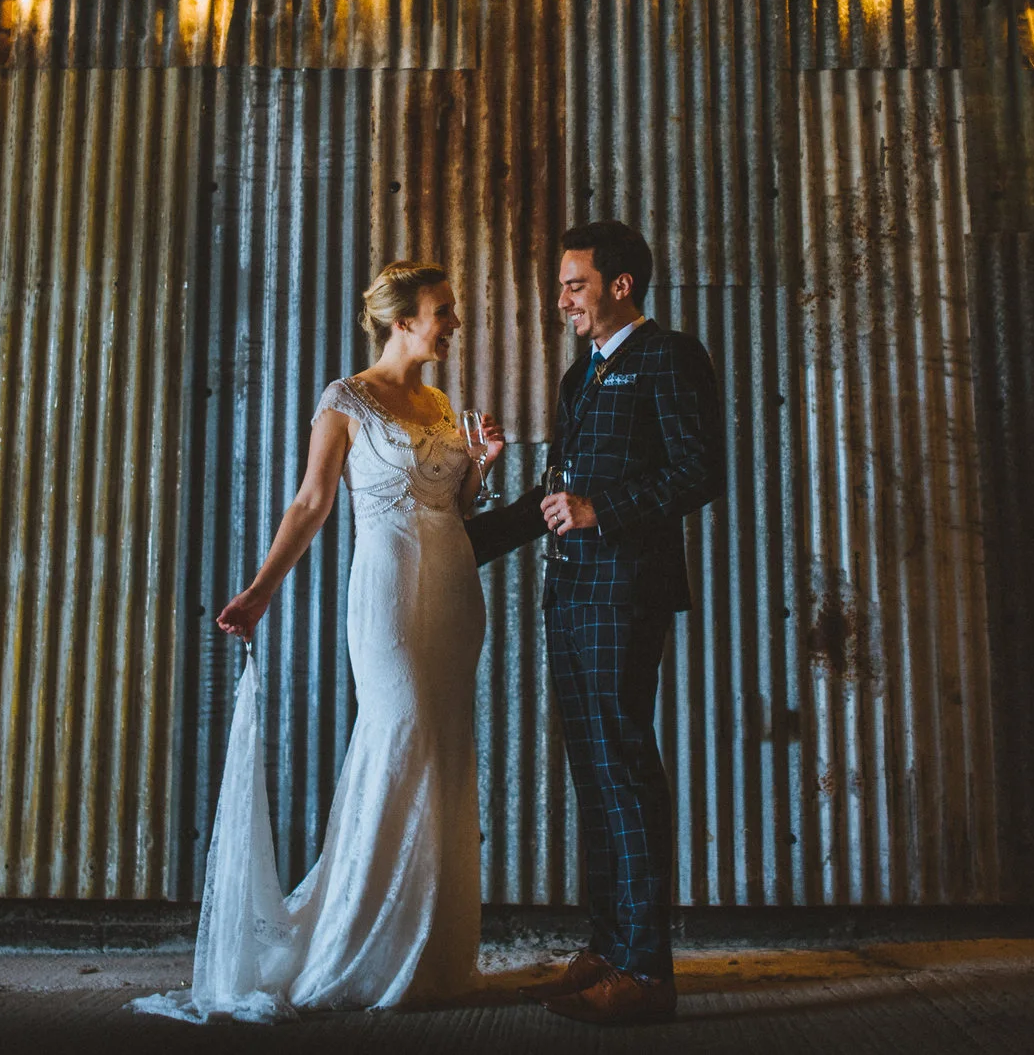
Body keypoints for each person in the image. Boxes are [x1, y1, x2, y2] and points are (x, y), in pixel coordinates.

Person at [135, 262, 502, 1022]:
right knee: (397, 733)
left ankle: (430, 950)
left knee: (445, 744)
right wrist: (261, 590)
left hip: (456, 590)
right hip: (388, 587)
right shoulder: (345, 399)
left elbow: (455, 505)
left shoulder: (437, 401)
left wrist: (484, 468)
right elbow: (311, 500)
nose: (453, 323)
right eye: (442, 311)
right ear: (402, 320)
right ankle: (350, 945)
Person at [466, 221, 726, 1026]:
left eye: (574, 284)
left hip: (625, 593)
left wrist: (602, 508)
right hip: (569, 596)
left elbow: (701, 469)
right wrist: (454, 541)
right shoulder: (581, 376)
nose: (562, 299)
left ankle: (647, 972)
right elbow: (552, 502)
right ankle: (607, 951)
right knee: (595, 781)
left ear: (620, 285)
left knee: (625, 776)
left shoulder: (672, 355)